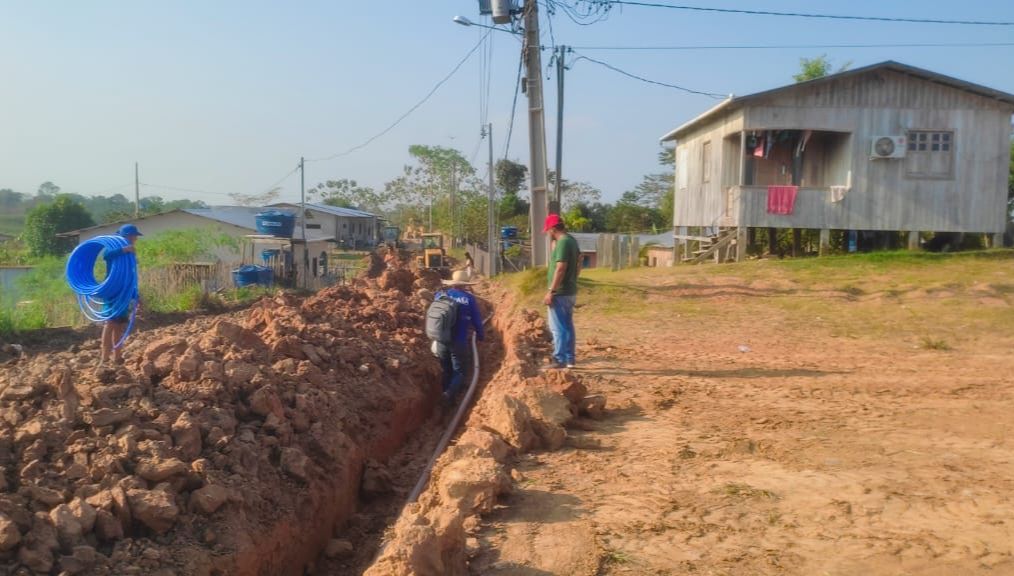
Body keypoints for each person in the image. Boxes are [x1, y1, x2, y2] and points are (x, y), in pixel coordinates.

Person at [434, 270, 484, 406]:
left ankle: (445, 395)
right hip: (459, 341)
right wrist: (480, 335)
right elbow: (477, 320)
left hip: (441, 340)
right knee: (460, 371)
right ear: (465, 284)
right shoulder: (469, 299)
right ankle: (449, 394)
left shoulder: (440, 295)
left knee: (446, 368)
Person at [99, 224, 142, 366]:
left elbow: (132, 277)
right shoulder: (114, 249)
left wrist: (136, 296)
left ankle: (117, 357)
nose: (136, 239)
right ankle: (104, 358)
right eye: (134, 236)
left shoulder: (131, 255)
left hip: (124, 293)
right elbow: (105, 256)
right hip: (112, 291)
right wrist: (124, 249)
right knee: (110, 323)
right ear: (127, 236)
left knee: (119, 325)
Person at [543, 214, 579, 369]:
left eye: (548, 231)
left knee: (558, 328)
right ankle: (570, 359)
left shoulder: (563, 243)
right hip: (569, 290)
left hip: (560, 292)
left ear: (552, 229)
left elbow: (561, 267)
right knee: (567, 325)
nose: (548, 234)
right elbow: (578, 265)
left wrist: (552, 291)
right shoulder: (571, 241)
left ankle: (559, 359)